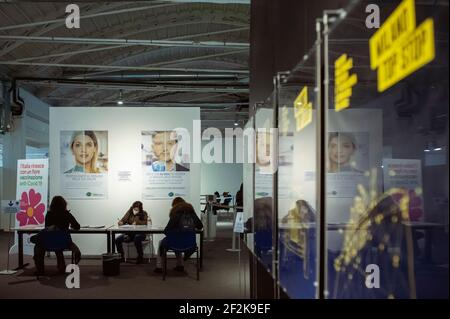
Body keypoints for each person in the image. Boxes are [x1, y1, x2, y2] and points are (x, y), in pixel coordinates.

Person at [31, 196, 81, 275]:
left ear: (52, 205)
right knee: (58, 244)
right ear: (64, 204)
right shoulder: (67, 214)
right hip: (64, 242)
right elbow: (77, 226)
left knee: (38, 245)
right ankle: (61, 267)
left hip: (49, 243)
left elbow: (47, 229)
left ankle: (40, 270)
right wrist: (71, 226)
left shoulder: (49, 214)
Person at [154, 197, 203, 273]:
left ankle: (159, 267)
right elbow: (200, 226)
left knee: (164, 242)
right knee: (178, 241)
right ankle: (180, 265)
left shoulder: (175, 213)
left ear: (174, 205)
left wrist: (173, 233)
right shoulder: (191, 212)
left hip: (175, 243)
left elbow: (166, 230)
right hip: (190, 244)